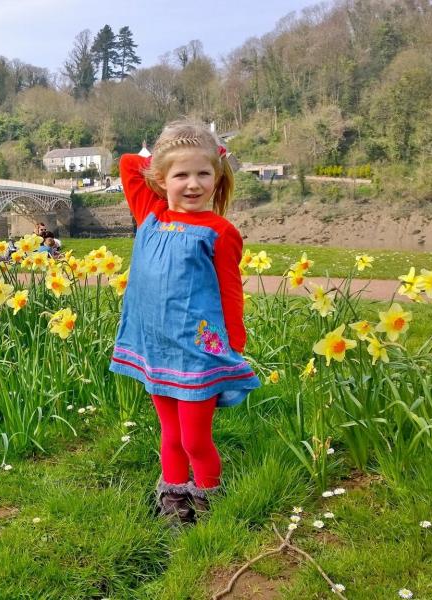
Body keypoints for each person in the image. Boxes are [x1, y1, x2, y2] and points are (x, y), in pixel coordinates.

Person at [109, 120, 260, 524]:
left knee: (195, 437)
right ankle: (174, 500)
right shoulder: (150, 213)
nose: (193, 184)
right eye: (181, 175)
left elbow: (230, 290)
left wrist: (234, 340)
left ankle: (208, 498)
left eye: (203, 173)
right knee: (170, 434)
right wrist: (167, 146)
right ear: (160, 179)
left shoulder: (220, 231)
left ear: (218, 176)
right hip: (155, 346)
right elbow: (127, 164)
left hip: (196, 350)